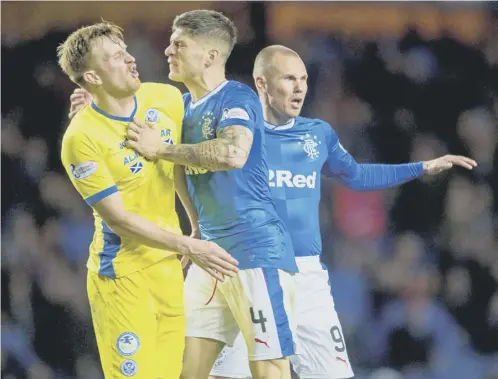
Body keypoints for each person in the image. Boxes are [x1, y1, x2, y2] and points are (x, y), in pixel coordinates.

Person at [207, 45, 477, 379]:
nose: (299, 87)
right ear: (261, 83)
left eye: (303, 79)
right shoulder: (233, 136)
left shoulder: (317, 135)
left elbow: (358, 175)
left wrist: (421, 167)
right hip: (251, 271)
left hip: (306, 275)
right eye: (288, 78)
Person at [69, 12, 299, 379]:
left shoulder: (236, 97)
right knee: (186, 372)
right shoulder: (177, 104)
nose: (167, 50)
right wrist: (92, 102)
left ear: (209, 55)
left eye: (179, 44)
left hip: (255, 253)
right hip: (207, 259)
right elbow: (118, 113)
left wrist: (161, 150)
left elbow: (232, 154)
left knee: (269, 369)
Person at [58, 21, 238, 379]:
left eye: (125, 50)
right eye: (114, 57)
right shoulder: (81, 138)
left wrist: (196, 226)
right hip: (123, 276)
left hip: (170, 269)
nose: (129, 59)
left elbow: (179, 166)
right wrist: (188, 244)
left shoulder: (165, 99)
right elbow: (119, 220)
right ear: (92, 77)